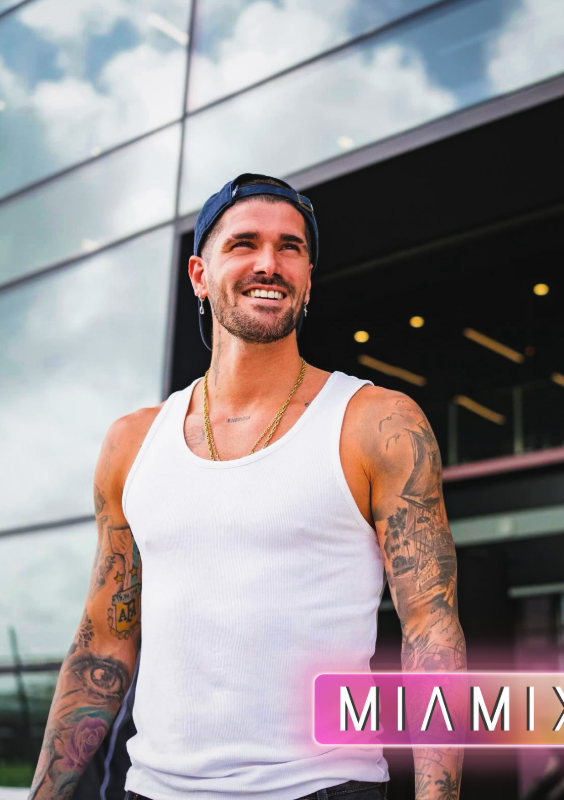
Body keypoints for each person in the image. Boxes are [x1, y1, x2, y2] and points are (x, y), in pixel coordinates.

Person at [29, 173, 466, 800]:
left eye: (291, 248)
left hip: (323, 787)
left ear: (309, 278)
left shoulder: (377, 423)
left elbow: (431, 629)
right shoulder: (131, 443)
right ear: (200, 275)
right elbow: (102, 641)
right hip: (155, 790)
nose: (270, 262)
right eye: (244, 244)